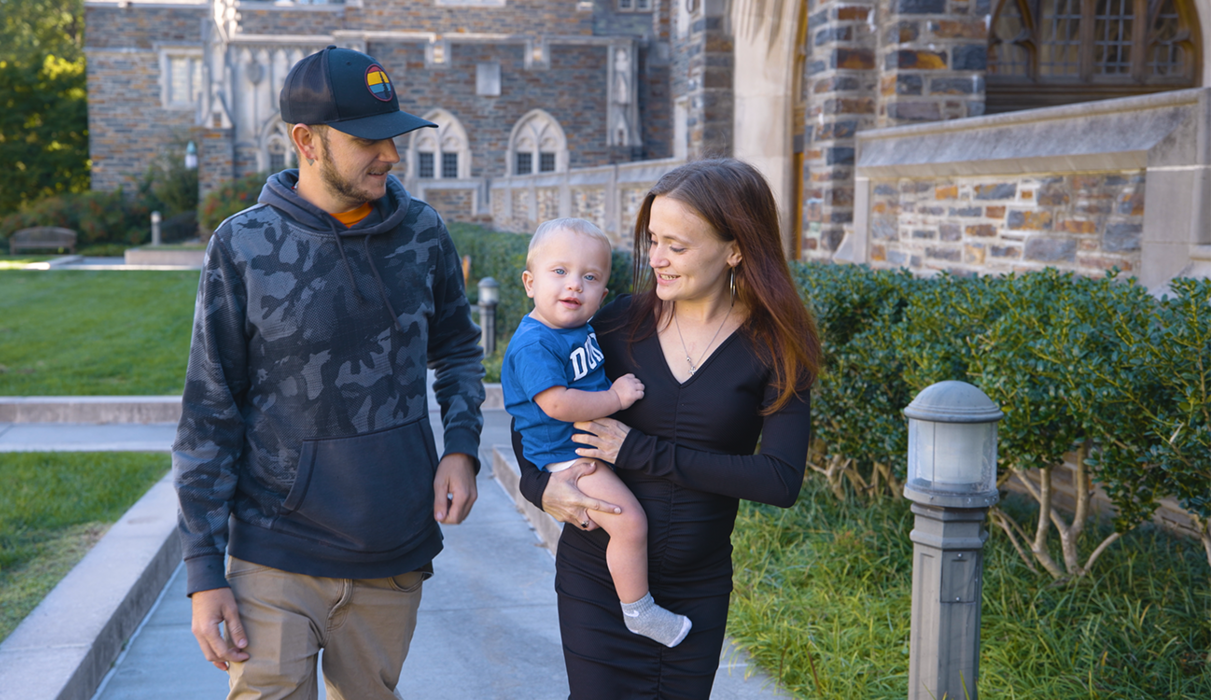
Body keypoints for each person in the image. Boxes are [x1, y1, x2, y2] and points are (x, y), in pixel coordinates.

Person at [173, 45, 485, 700]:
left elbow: (457, 348)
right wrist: (205, 573)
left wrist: (461, 450)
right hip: (274, 553)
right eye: (368, 140)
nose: (391, 155)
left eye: (393, 136)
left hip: (392, 550)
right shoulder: (243, 245)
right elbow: (209, 412)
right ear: (306, 140)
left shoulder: (423, 233)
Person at [514, 159, 821, 699]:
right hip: (597, 582)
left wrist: (640, 450)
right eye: (653, 239)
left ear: (735, 248)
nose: (655, 259)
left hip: (694, 590)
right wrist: (542, 488)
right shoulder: (610, 324)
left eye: (676, 246)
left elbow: (779, 480)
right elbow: (535, 418)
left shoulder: (775, 346)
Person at [501, 217, 691, 648]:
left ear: (602, 296)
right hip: (568, 456)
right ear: (529, 282)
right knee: (630, 523)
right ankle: (639, 611)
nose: (574, 286)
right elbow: (558, 404)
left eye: (589, 278)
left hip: (581, 447)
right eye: (559, 272)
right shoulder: (536, 343)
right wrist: (616, 398)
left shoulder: (576, 328)